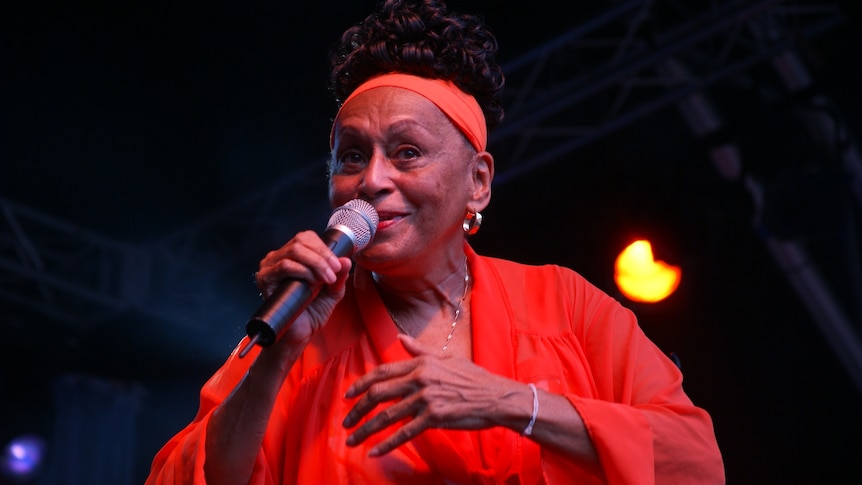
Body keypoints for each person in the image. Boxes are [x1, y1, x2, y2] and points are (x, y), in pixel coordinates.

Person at [144, 0, 725, 483]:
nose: (371, 179)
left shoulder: (563, 305)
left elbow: (695, 463)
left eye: (407, 153)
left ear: (478, 182)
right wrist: (277, 359)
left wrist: (512, 403)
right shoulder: (304, 336)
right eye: (351, 155)